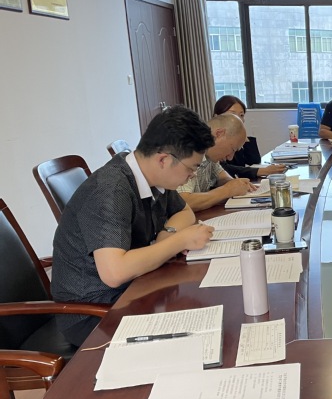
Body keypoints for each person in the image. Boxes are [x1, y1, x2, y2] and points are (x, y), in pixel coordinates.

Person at [51, 106, 216, 347]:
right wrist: (178, 241)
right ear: (163, 159)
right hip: (93, 311)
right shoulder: (110, 189)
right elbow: (114, 273)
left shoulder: (153, 176)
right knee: (196, 334)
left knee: (203, 312)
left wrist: (167, 234)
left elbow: (185, 212)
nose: (192, 176)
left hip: (133, 288)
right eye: (191, 168)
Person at [177, 113, 260, 211]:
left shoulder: (211, 155)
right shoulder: (187, 150)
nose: (230, 158)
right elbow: (183, 202)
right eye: (232, 149)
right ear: (219, 134)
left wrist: (236, 184)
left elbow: (221, 177)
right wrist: (227, 190)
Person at [213, 95, 286, 178]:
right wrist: (262, 171)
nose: (238, 119)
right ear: (217, 116)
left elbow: (254, 160)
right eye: (232, 114)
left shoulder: (236, 139)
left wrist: (243, 137)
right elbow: (222, 169)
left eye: (241, 115)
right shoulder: (212, 140)